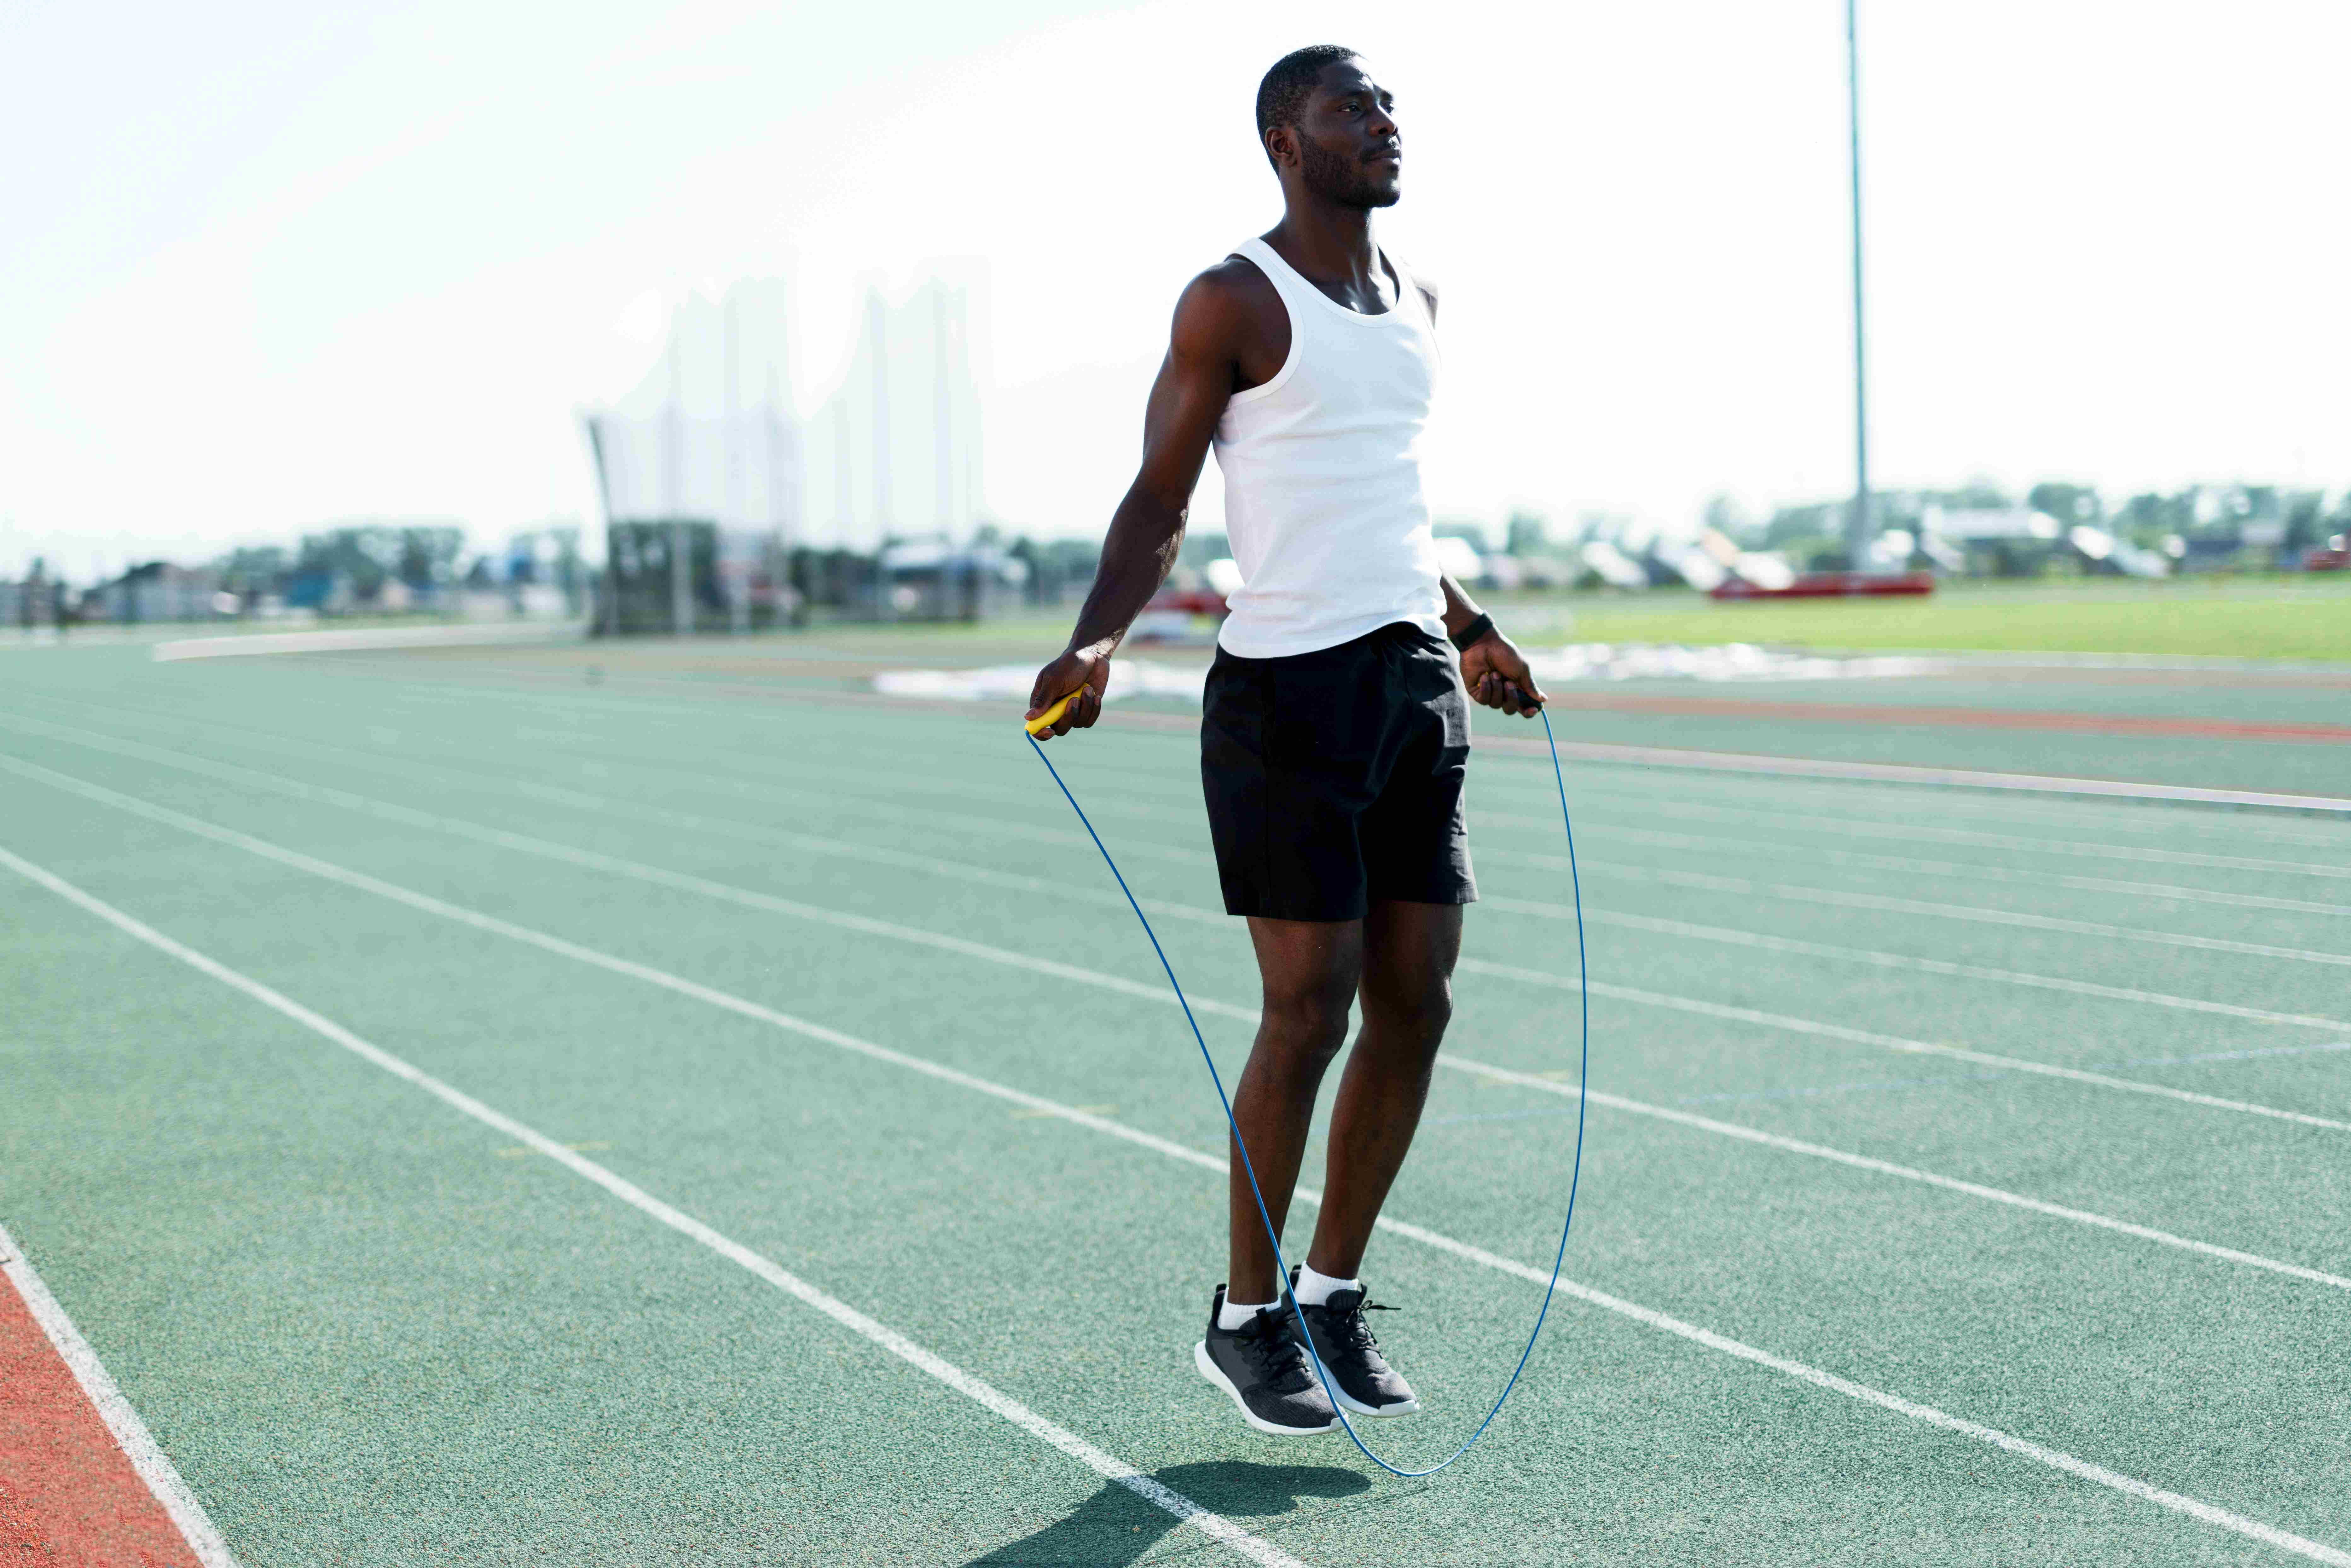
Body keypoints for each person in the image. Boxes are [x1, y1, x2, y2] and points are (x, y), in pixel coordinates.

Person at [1025, 44, 1547, 1437]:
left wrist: (1472, 625)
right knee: (1305, 1008)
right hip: (1284, 697)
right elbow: (1158, 497)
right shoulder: (1231, 302)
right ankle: (1244, 1318)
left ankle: (1330, 1293)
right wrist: (1096, 637)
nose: (1379, 126)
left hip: (1413, 679)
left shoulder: (1419, 300)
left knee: (1417, 1004)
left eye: (1386, 107)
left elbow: (1385, 500)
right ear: (1282, 140)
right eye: (1346, 109)